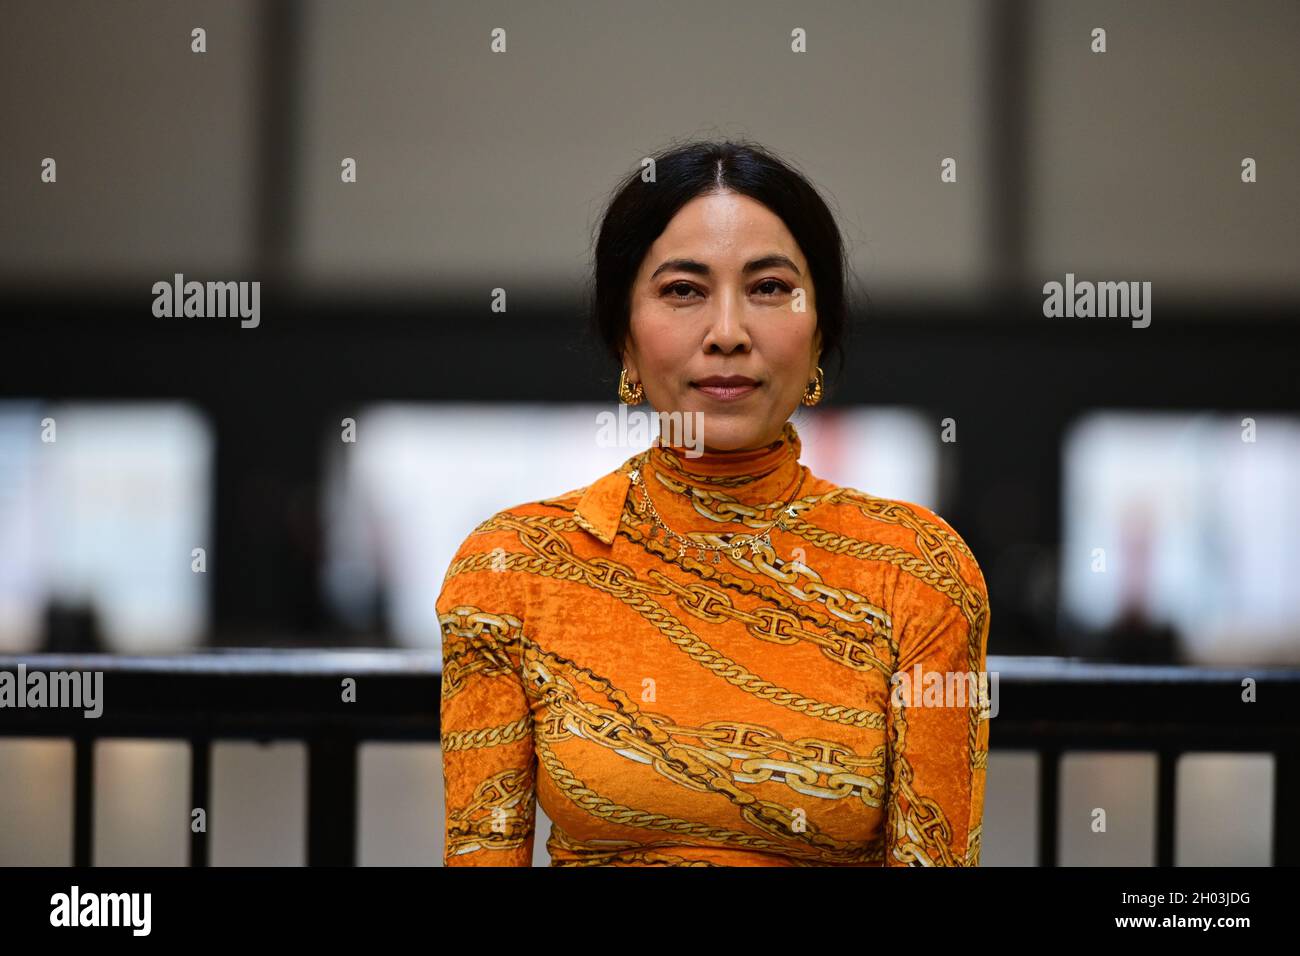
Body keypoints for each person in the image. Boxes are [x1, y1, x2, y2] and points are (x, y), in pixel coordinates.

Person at [437, 140, 991, 866]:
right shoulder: (512, 569)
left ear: (820, 331)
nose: (728, 333)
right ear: (624, 341)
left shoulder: (917, 573)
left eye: (768, 288)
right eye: (682, 290)